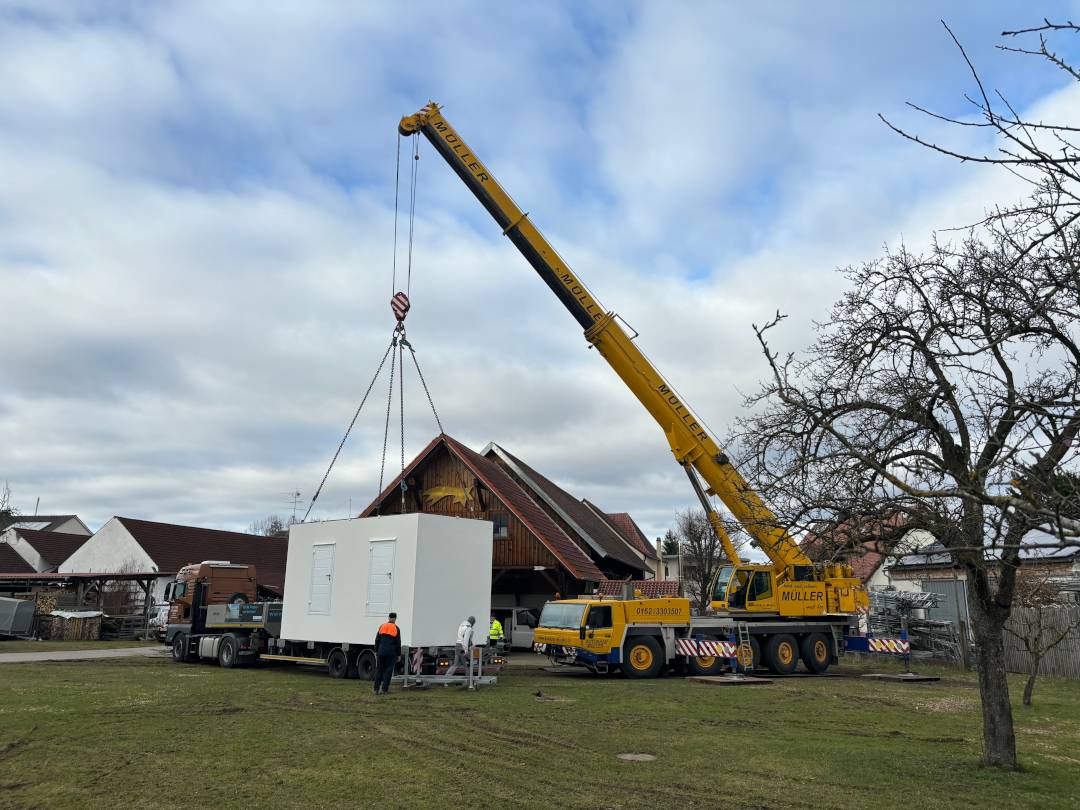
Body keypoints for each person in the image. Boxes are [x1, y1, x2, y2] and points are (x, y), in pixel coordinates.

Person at [373, 612, 401, 695]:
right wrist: (398, 654)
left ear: (388, 618)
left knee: (379, 670)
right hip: (391, 653)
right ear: (395, 618)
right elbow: (398, 643)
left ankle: (376, 689)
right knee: (388, 671)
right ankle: (384, 689)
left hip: (381, 652)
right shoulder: (396, 628)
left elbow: (377, 640)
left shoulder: (382, 626)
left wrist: (376, 651)